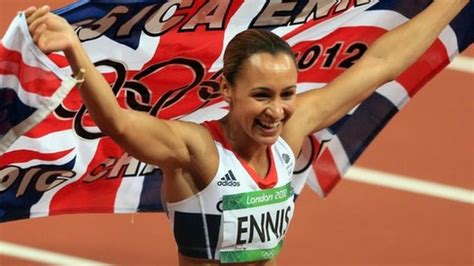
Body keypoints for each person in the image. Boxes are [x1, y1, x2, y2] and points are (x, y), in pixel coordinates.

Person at [25, 1, 468, 265]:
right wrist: (75, 51)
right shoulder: (196, 150)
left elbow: (381, 64)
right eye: (261, 95)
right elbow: (119, 124)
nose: (276, 111)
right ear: (227, 91)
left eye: (287, 93)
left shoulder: (292, 131)